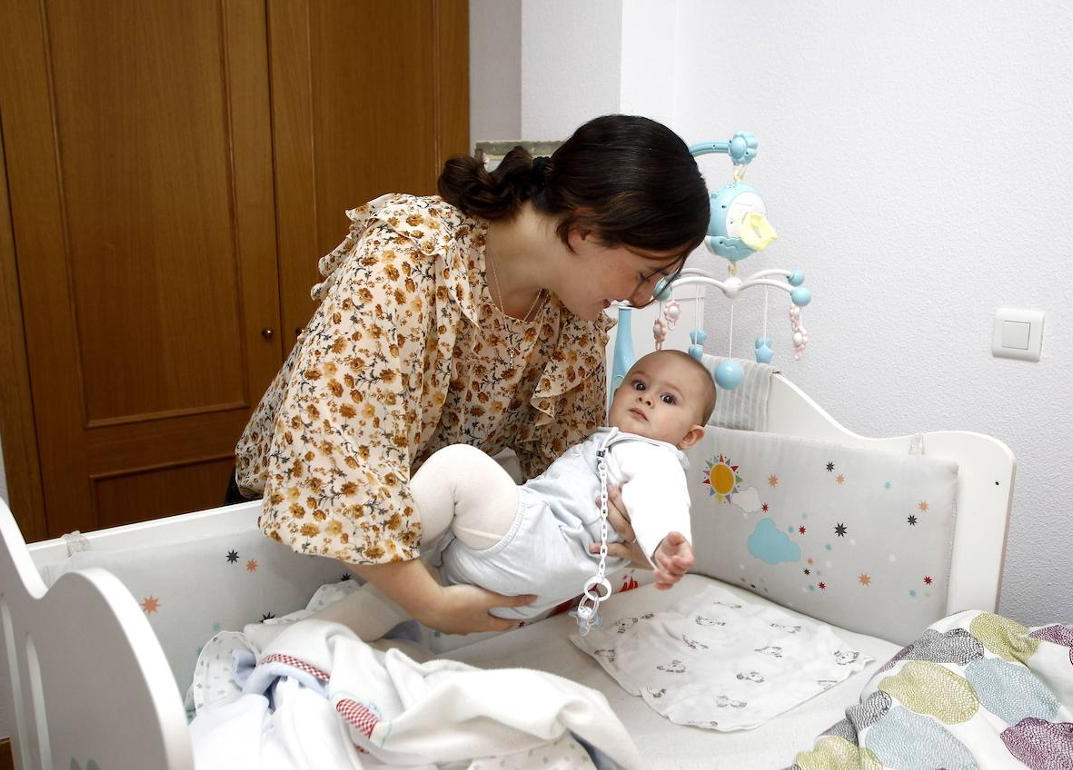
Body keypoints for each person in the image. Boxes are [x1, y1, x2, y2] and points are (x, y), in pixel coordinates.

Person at [232, 115, 710, 634]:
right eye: (645, 275)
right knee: (285, 652)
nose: (641, 299)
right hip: (295, 529)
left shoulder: (575, 318)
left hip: (424, 543)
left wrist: (635, 535)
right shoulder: (408, 257)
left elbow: (569, 466)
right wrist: (430, 604)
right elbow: (330, 461)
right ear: (586, 229)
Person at [408, 349, 716, 622]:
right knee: (396, 595)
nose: (646, 397)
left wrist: (664, 543)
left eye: (668, 399)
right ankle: (370, 621)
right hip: (527, 585)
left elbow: (658, 497)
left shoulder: (650, 454)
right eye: (639, 385)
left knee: (459, 466)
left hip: (539, 543)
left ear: (689, 437)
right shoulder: (610, 444)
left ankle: (388, 535)